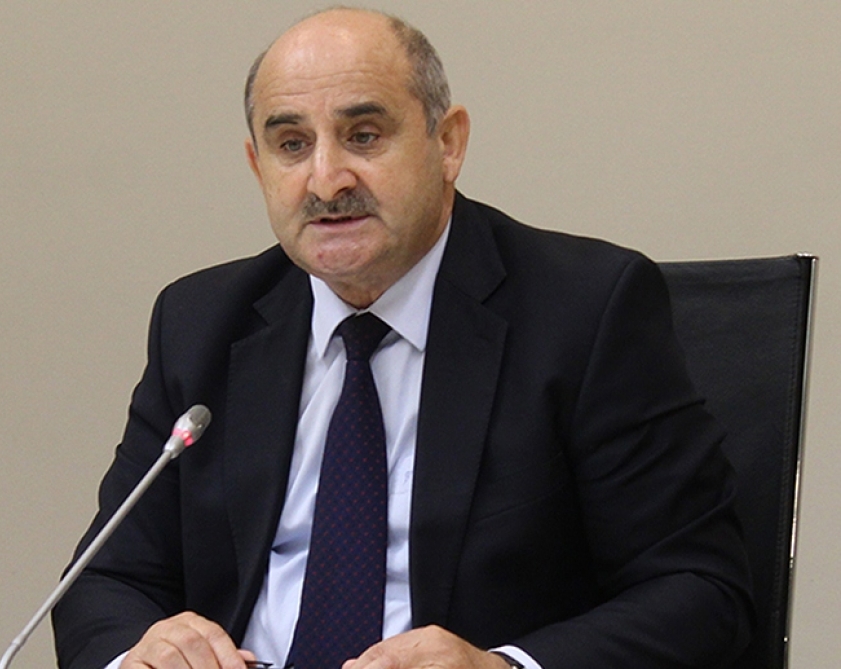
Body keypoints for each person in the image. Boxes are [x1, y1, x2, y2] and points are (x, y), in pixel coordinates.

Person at [52, 7, 753, 669]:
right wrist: (144, 652)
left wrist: (500, 666)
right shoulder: (201, 321)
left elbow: (700, 589)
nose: (326, 180)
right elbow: (104, 579)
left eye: (363, 135)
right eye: (291, 145)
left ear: (447, 144)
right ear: (257, 165)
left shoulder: (585, 310)